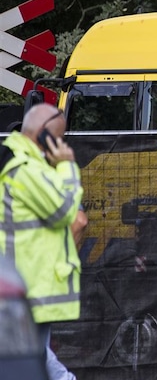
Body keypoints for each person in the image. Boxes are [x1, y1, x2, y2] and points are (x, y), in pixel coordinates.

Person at [0, 104, 86, 380]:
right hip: (28, 281)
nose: (61, 145)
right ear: (45, 135)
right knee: (32, 356)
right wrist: (67, 166)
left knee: (31, 355)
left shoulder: (23, 164)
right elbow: (66, 211)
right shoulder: (25, 169)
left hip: (24, 282)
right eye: (59, 138)